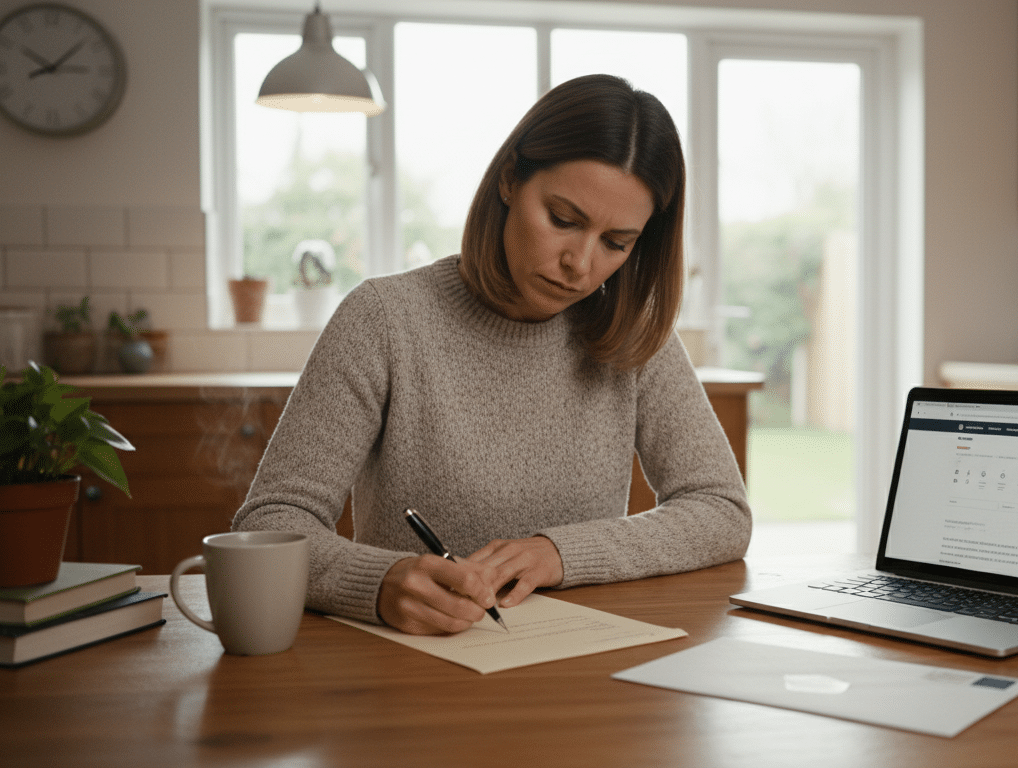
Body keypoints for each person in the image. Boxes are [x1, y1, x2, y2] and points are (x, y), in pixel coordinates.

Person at [233, 74, 751, 635]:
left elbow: (721, 511)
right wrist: (378, 582)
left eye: (615, 243)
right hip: (411, 662)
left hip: (577, 660)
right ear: (509, 180)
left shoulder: (634, 334)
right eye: (563, 220)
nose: (580, 264)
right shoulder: (383, 319)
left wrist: (561, 553)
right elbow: (272, 521)